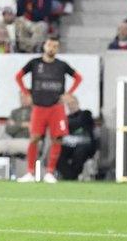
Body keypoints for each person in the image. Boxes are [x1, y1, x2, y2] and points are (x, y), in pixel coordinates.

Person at [15, 38, 82, 183]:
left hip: (56, 107)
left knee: (57, 139)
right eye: (50, 45)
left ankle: (50, 172)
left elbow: (78, 78)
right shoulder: (34, 63)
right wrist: (26, 93)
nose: (52, 48)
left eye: (55, 46)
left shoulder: (62, 65)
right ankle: (30, 173)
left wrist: (68, 93)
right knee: (35, 138)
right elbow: (18, 76)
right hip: (39, 107)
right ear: (44, 46)